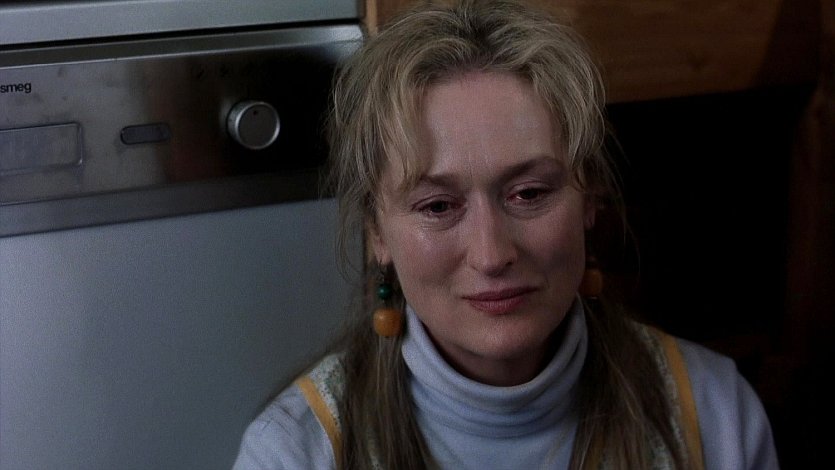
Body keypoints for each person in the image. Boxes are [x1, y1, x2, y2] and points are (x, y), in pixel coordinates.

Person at [232, 1, 779, 468]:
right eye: (438, 205)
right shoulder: (294, 453)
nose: (492, 254)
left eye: (529, 194)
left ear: (589, 198)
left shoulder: (714, 417)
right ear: (377, 231)